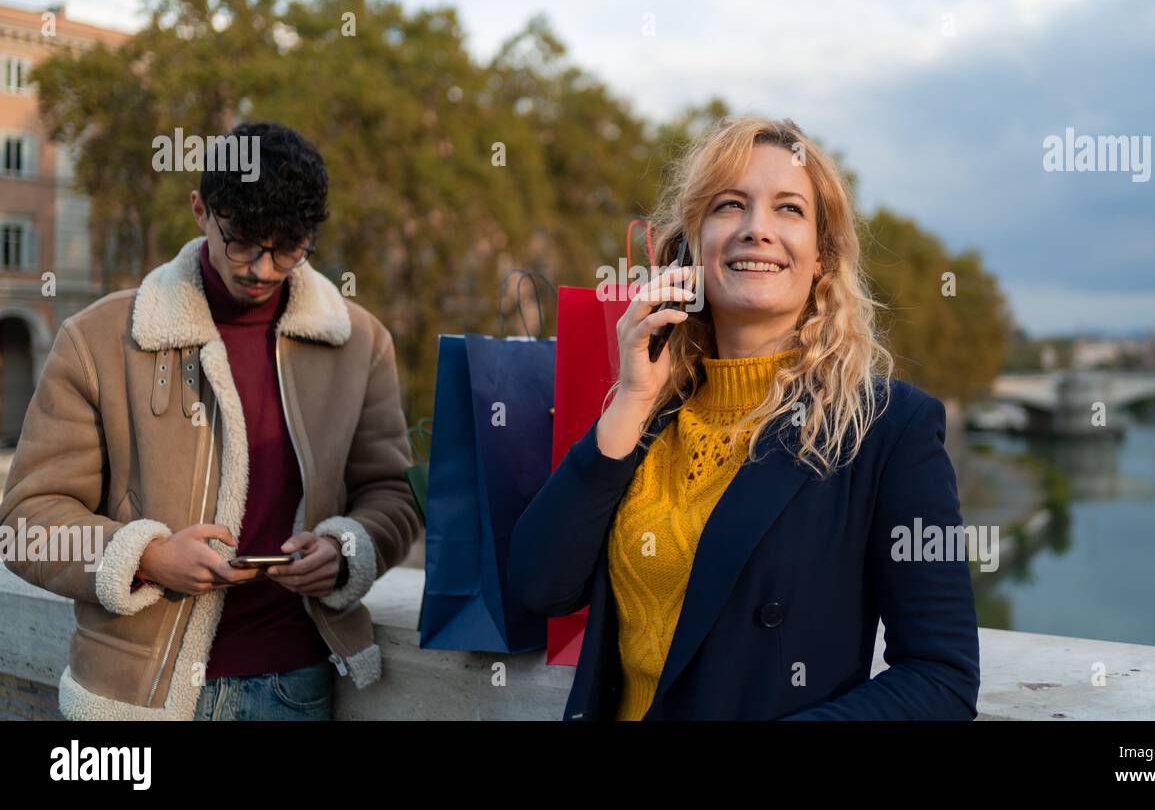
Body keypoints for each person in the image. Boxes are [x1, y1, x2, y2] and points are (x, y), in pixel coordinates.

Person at [509, 115, 981, 720]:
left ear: (821, 258)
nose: (757, 230)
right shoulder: (651, 411)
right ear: (691, 250)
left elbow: (941, 677)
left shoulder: (889, 427)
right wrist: (630, 399)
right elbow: (539, 586)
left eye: (788, 209)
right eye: (730, 205)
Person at [0, 121, 422, 720]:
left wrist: (346, 548)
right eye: (243, 241)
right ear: (200, 210)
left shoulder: (360, 342)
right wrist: (145, 557)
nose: (263, 268)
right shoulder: (97, 338)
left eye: (290, 247)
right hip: (132, 696)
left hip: (294, 685)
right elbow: (25, 521)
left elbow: (394, 495)